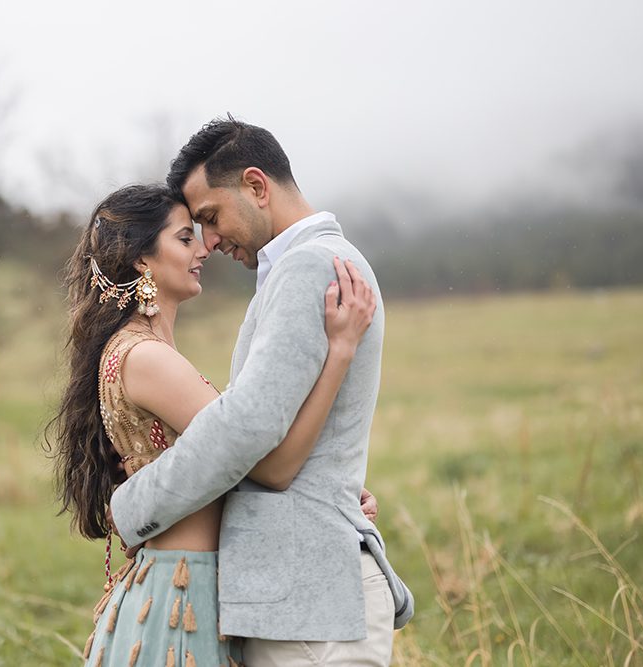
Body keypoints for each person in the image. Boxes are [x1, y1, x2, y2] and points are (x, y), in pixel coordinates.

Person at [107, 118, 414, 666]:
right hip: (299, 598)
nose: (210, 240)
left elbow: (247, 430)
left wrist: (132, 505)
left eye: (210, 218)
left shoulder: (308, 267)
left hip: (310, 604)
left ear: (255, 186)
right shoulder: (298, 269)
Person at [49, 182, 377, 666]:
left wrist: (330, 497)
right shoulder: (148, 358)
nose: (203, 248)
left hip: (178, 582)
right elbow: (261, 460)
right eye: (185, 238)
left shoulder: (135, 351)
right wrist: (340, 353)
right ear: (142, 260)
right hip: (186, 594)